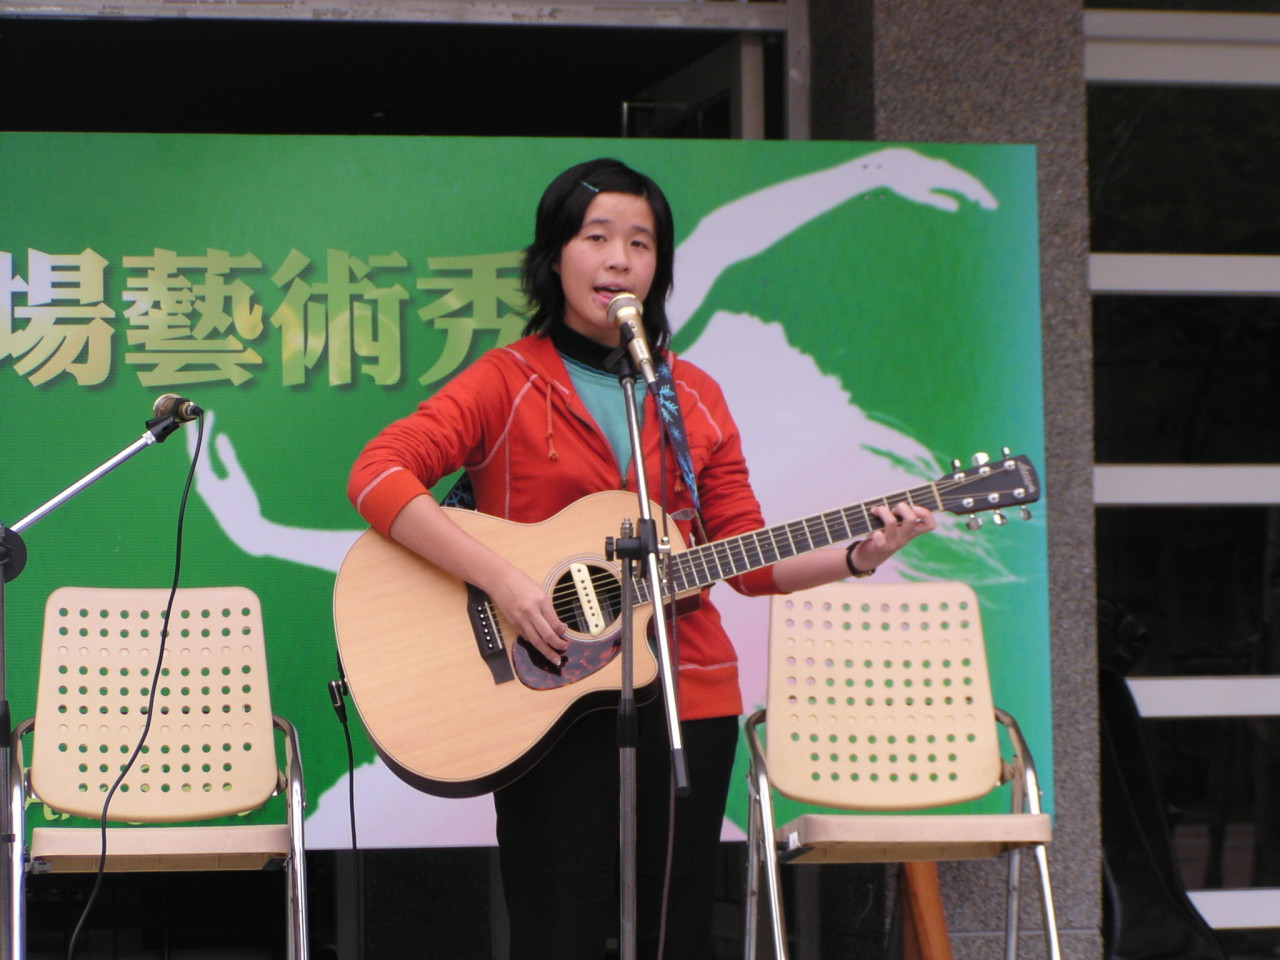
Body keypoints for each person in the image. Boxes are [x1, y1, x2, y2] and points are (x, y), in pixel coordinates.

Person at [347, 157, 935, 960]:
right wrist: (507, 583)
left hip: (687, 690)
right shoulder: (505, 381)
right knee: (557, 928)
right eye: (596, 238)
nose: (619, 260)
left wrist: (859, 556)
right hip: (543, 688)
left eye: (641, 243)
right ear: (554, 257)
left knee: (677, 928)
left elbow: (747, 563)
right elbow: (376, 474)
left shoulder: (692, 395)